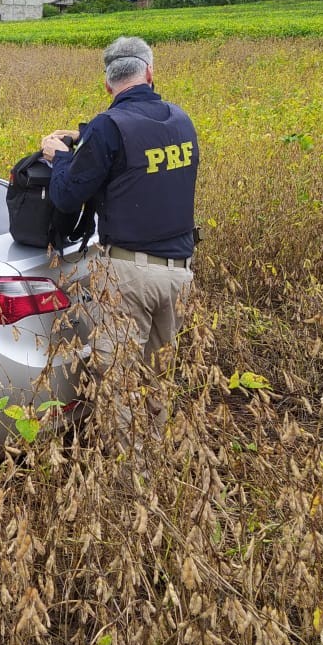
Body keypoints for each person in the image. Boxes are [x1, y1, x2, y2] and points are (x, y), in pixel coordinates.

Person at [40, 36, 198, 434]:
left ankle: (130, 477)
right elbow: (141, 159)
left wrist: (58, 156)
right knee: (159, 376)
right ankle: (158, 453)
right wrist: (86, 137)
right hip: (180, 272)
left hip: (129, 276)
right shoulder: (181, 120)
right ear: (149, 71)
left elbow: (65, 195)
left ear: (107, 83)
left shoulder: (108, 128)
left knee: (119, 382)